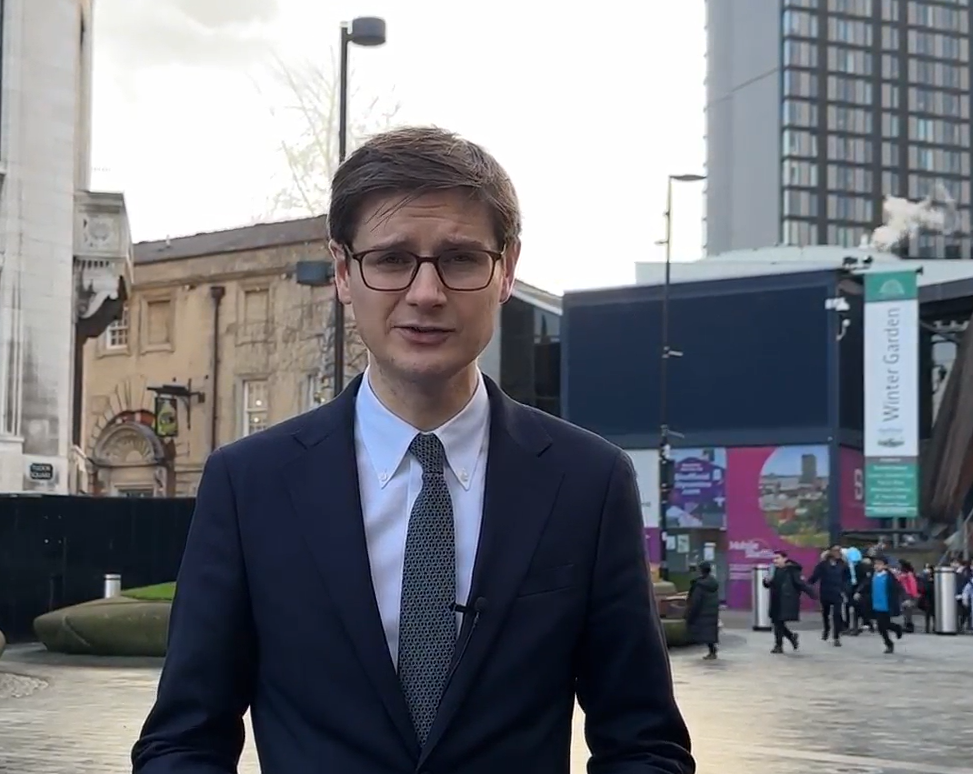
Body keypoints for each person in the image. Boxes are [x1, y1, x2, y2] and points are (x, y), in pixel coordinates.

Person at [130, 126, 694, 774]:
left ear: (505, 269)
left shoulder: (588, 484)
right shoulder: (249, 485)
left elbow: (644, 745)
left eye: (459, 259)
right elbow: (183, 740)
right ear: (344, 272)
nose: (426, 293)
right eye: (393, 259)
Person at [764, 550, 815, 653]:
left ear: (785, 559)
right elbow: (769, 584)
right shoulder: (774, 570)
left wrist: (813, 594)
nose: (775, 561)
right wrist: (766, 581)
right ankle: (791, 637)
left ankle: (779, 645)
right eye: (774, 558)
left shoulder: (792, 570)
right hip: (775, 599)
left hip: (786, 600)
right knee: (777, 623)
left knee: (778, 623)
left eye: (777, 558)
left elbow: (800, 584)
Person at [807, 546, 849, 646]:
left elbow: (847, 578)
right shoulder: (823, 565)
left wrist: (846, 589)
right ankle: (826, 628)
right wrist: (807, 584)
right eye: (835, 551)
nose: (837, 553)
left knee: (837, 614)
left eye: (839, 551)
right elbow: (815, 577)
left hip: (838, 593)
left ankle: (836, 637)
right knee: (826, 613)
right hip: (826, 592)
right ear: (830, 552)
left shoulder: (842, 564)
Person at [684, 560, 721, 660]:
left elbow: (696, 601)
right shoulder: (713, 583)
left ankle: (712, 651)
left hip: (703, 612)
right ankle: (712, 651)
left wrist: (689, 613)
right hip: (711, 612)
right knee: (709, 632)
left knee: (704, 631)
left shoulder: (700, 585)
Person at [869, 555, 906, 653]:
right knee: (881, 626)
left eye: (879, 564)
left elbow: (899, 588)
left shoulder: (889, 576)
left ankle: (895, 632)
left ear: (885, 566)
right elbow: (865, 584)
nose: (877, 566)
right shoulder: (873, 575)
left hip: (886, 605)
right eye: (875, 564)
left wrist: (905, 599)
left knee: (883, 625)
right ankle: (889, 641)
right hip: (876, 604)